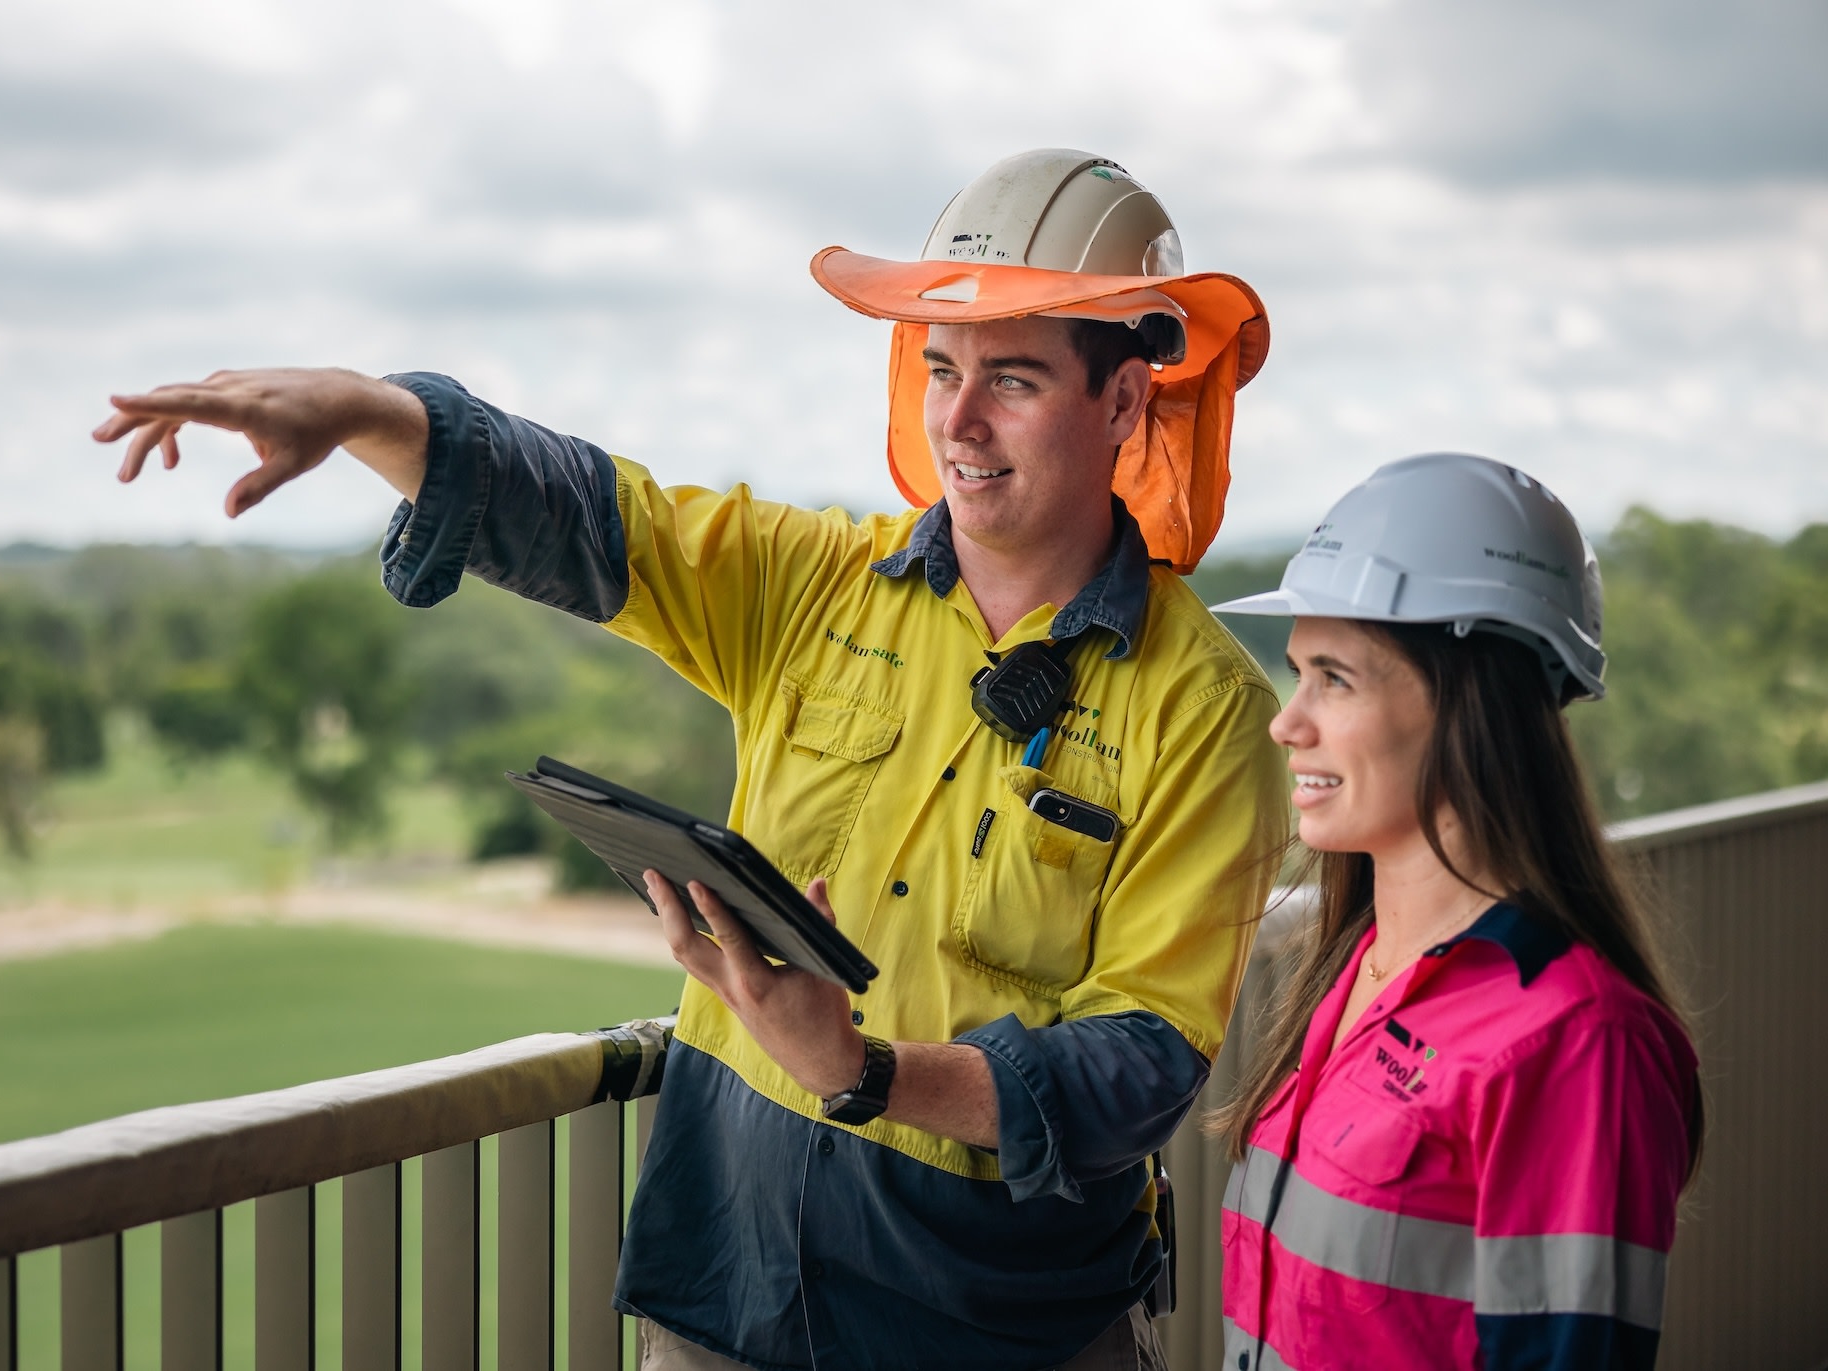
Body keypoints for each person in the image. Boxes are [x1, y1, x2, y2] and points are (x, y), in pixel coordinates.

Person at [93, 149, 1289, 1370]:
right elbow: (593, 515)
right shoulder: (811, 584)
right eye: (940, 369)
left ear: (1127, 402)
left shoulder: (1204, 711)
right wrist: (370, 413)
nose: (958, 421)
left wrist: (865, 1070)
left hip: (996, 1323)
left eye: (1014, 380)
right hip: (724, 1282)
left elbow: (1140, 1062)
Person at [1205, 453, 1704, 1371]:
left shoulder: (1578, 1041)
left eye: (1336, 678)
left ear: (1468, 703)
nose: (1289, 720)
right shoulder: (1360, 968)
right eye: (1298, 672)